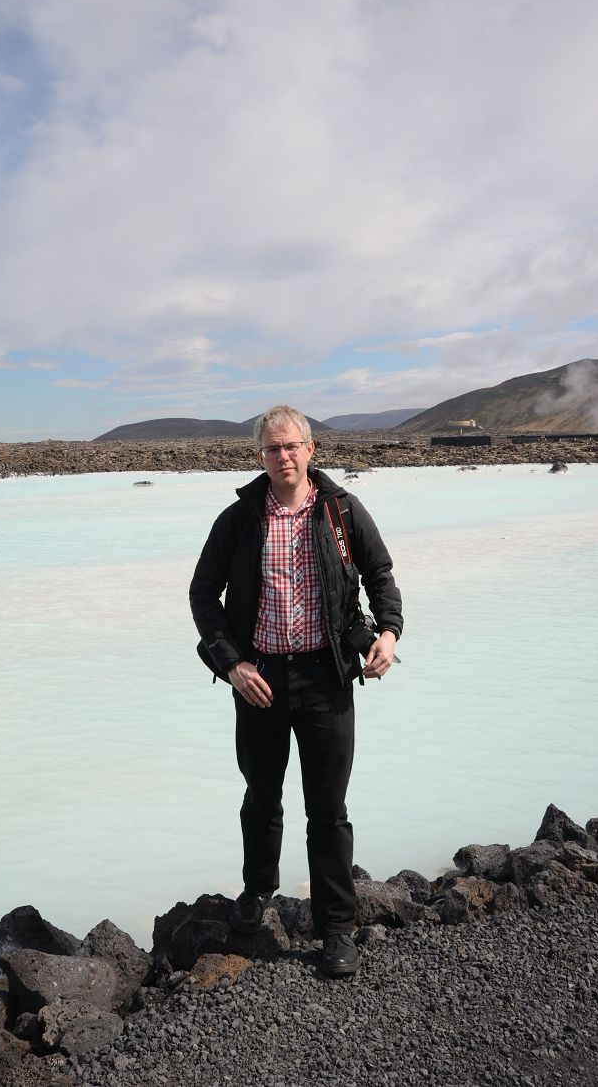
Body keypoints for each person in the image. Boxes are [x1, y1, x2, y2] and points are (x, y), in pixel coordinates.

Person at [189, 404, 403, 977]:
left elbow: (380, 576)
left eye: (291, 446)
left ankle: (336, 927)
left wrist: (387, 633)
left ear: (310, 449)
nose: (282, 456)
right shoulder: (240, 517)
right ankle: (258, 891)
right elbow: (203, 594)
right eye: (271, 448)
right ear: (259, 455)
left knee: (328, 809)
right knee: (261, 796)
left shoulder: (342, 510)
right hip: (259, 679)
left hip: (325, 677)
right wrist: (232, 665)